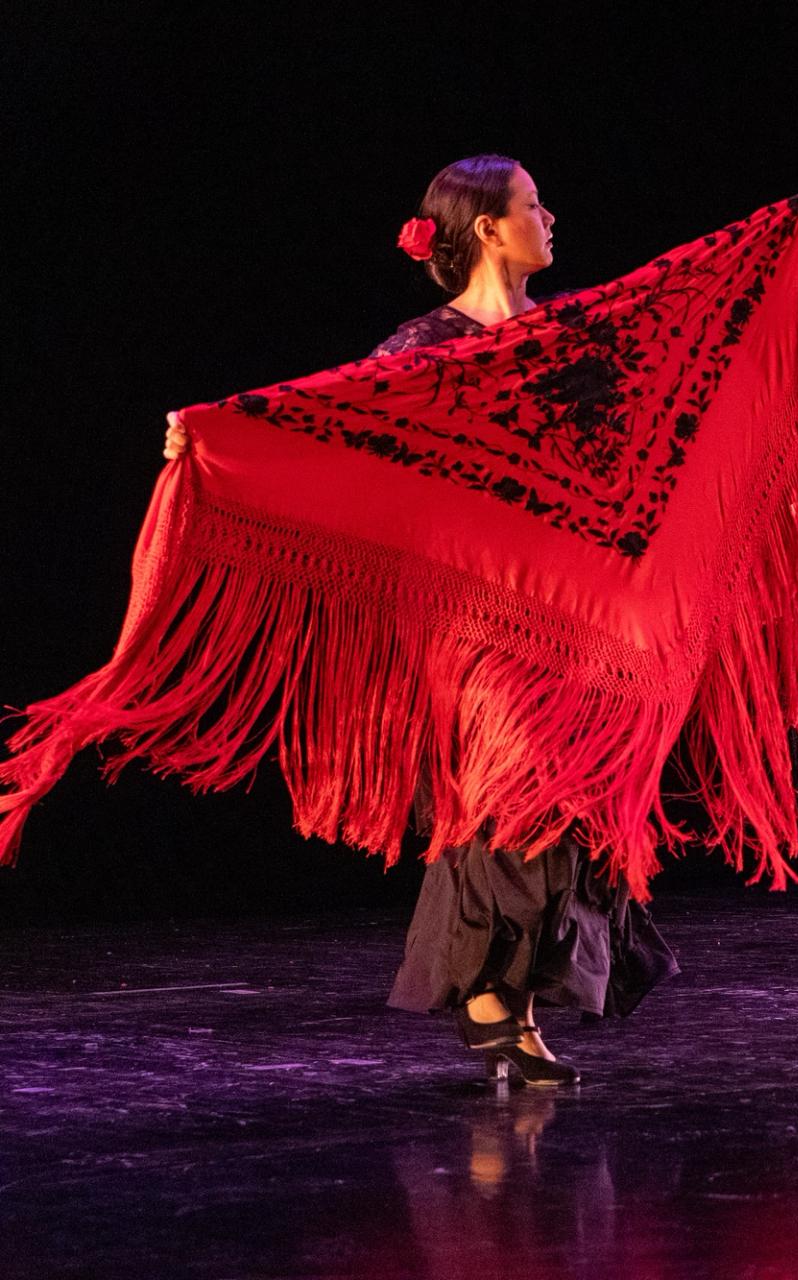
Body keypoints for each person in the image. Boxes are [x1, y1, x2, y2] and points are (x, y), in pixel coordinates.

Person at [168, 155, 678, 1086]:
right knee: (507, 788)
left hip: (568, 612)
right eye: (532, 204)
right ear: (487, 226)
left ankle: (512, 1006)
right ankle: (486, 999)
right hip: (472, 621)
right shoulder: (421, 347)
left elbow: (631, 450)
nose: (550, 215)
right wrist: (218, 433)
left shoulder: (572, 341)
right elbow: (331, 429)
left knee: (565, 799)